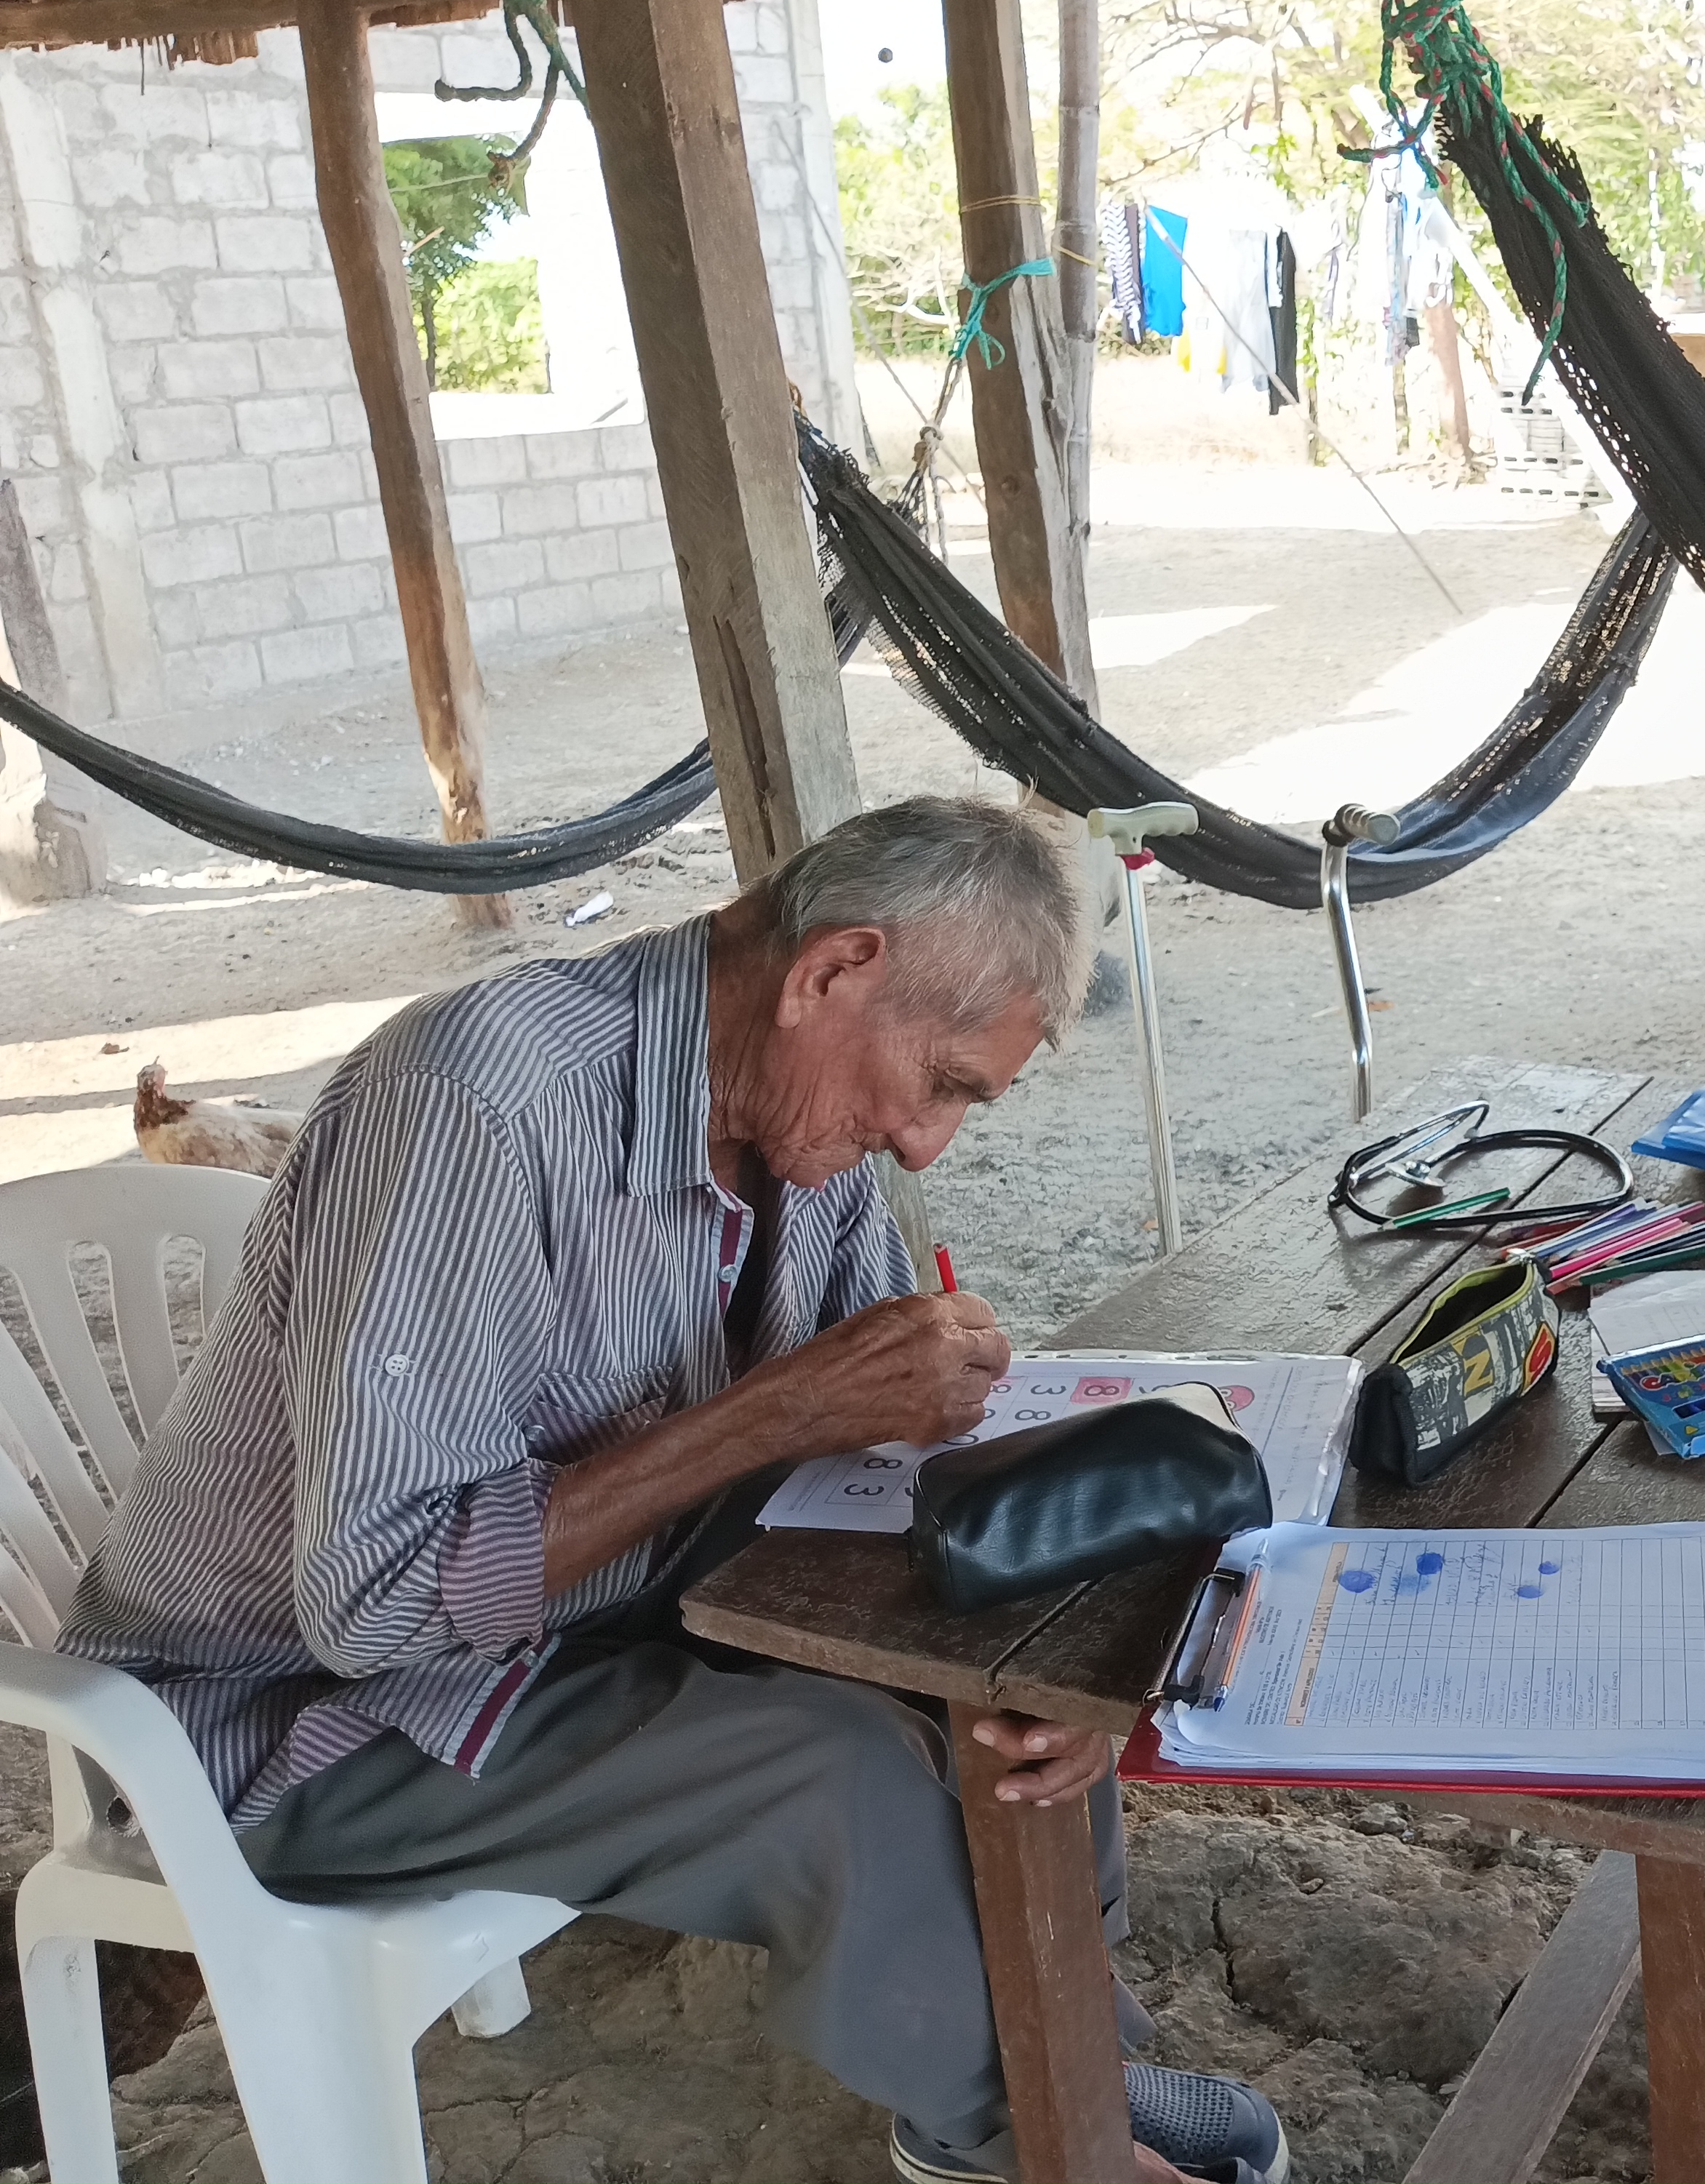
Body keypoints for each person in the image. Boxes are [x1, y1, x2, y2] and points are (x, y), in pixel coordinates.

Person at [62, 796, 1290, 2184]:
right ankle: (1034, 2132)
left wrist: (1008, 1620)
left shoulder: (802, 1114)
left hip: (598, 1608)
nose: (928, 1145)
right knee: (833, 1774)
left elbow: (859, 1471)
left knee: (1005, 1685)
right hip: (287, 1716)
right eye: (942, 1083)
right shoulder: (473, 1108)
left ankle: (1059, 2059)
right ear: (835, 971)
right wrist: (776, 1410)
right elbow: (375, 1604)